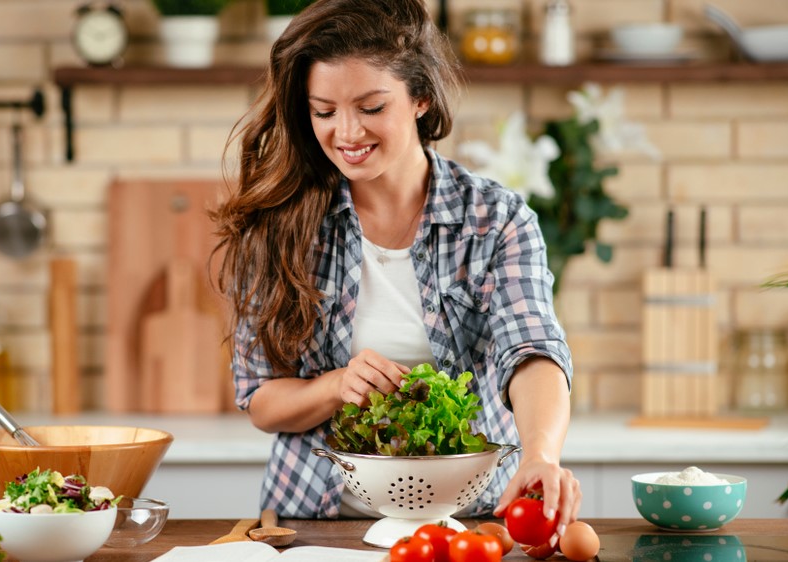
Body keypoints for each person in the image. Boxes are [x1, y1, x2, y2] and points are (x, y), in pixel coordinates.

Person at [211, 0, 580, 538]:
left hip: (471, 522)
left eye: (371, 107)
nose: (346, 132)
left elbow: (531, 349)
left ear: (421, 98)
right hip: (315, 523)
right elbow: (263, 400)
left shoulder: (495, 220)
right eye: (324, 111)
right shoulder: (279, 225)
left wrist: (542, 452)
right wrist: (337, 385)